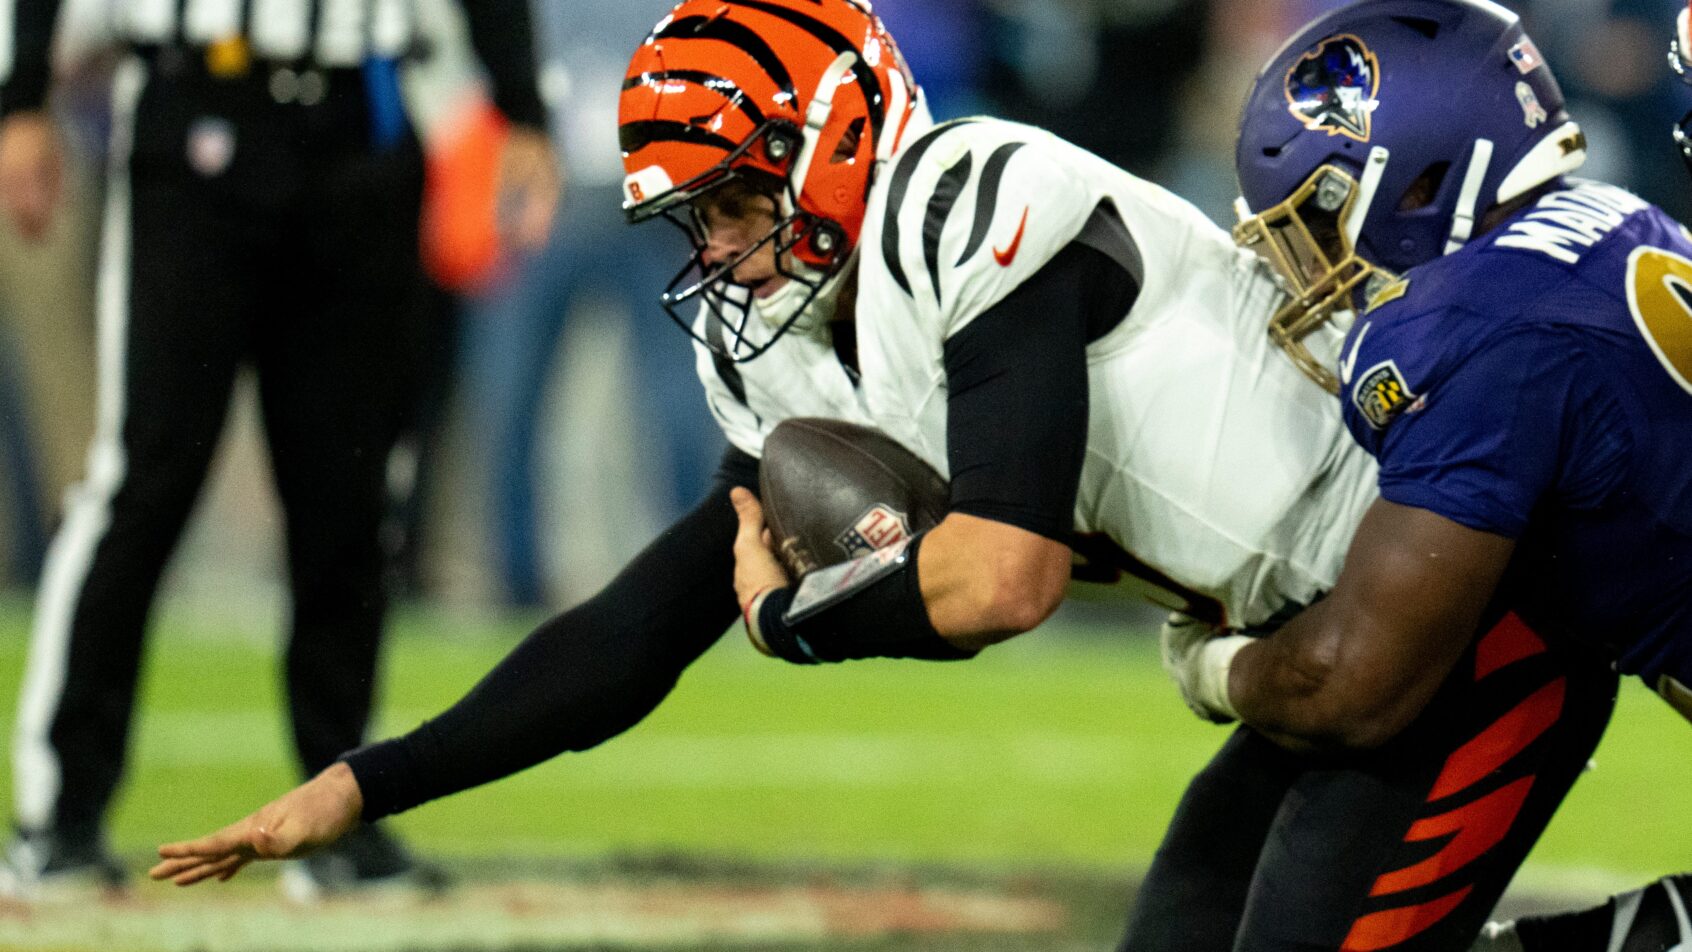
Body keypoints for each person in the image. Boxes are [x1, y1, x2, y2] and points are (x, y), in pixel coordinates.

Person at [1148, 0, 1692, 948]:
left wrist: (1219, 669)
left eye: (1319, 215)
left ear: (1418, 181)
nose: (1310, 265)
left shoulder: (1476, 324)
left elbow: (1353, 688)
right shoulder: (1607, 217)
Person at [0, 0, 559, 898]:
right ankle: (57, 816)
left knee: (351, 492)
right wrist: (20, 96)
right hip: (197, 107)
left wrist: (523, 106)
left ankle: (339, 815)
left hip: (364, 118)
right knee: (143, 479)